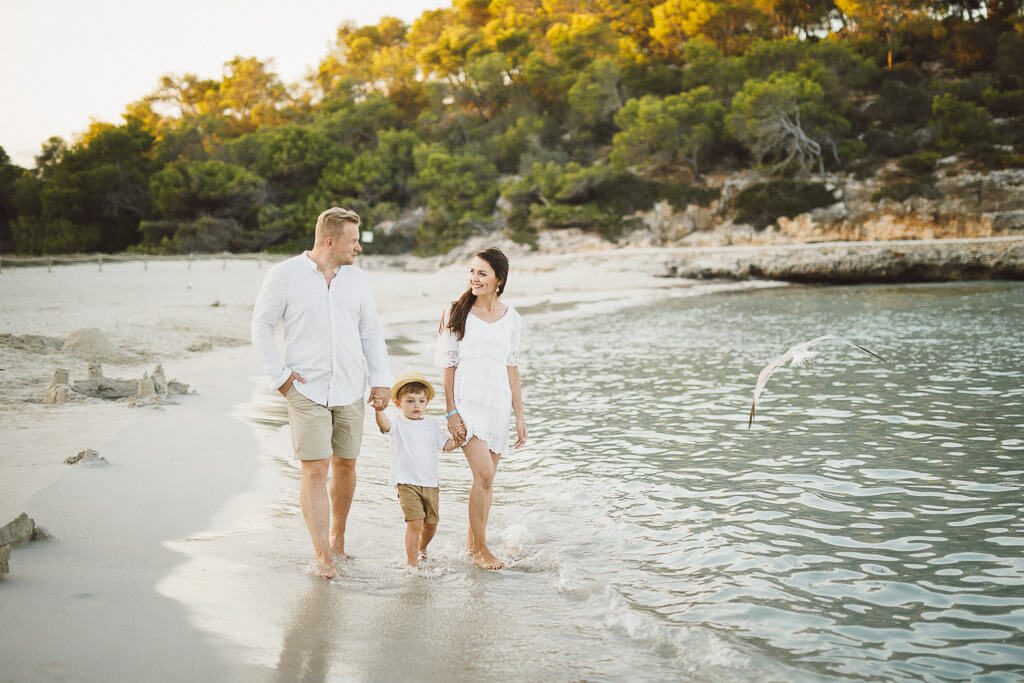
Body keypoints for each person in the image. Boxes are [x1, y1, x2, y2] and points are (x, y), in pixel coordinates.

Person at [251, 207, 392, 580]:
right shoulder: (284, 276)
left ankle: (338, 538)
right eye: (353, 240)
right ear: (330, 240)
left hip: (350, 386)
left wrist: (381, 380)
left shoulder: (358, 281)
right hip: (306, 389)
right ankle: (322, 555)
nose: (358, 247)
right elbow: (261, 326)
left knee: (346, 464)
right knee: (315, 468)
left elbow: (371, 333)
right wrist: (280, 377)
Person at [436, 247, 526, 570]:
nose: (474, 279)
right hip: (467, 406)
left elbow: (511, 367)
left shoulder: (512, 319)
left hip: (497, 406)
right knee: (484, 473)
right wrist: (451, 412)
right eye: (472, 272)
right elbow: (448, 365)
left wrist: (519, 416)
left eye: (482, 273)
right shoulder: (456, 312)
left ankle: (472, 545)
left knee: (486, 481)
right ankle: (481, 550)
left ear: (498, 280)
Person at [374, 373, 459, 567]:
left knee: (431, 525)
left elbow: (446, 445)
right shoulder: (397, 423)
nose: (416, 405)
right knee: (415, 522)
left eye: (421, 401)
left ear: (427, 403)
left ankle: (422, 549)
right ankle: (411, 564)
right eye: (410, 401)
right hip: (406, 482)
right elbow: (384, 426)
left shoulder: (431, 424)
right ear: (398, 404)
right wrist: (379, 411)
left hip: (430, 482)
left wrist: (459, 440)